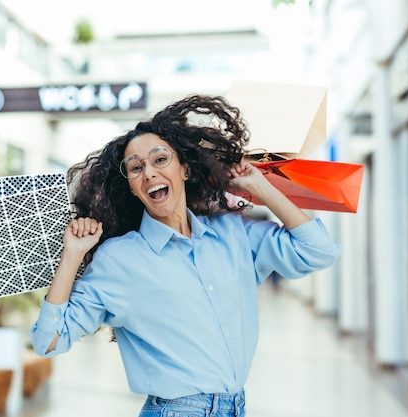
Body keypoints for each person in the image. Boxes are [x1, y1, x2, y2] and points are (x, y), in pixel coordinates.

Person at [30, 94, 341, 417]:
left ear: (185, 170)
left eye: (160, 159)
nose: (148, 172)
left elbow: (317, 252)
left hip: (235, 407)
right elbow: (49, 340)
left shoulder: (233, 235)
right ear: (133, 188)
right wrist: (73, 256)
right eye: (136, 168)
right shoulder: (120, 259)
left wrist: (261, 187)